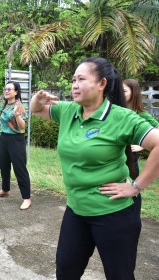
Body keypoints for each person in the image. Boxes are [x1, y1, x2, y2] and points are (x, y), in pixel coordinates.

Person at [30, 56, 159, 279]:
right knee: (66, 271)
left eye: (81, 79)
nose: (74, 85)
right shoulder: (69, 110)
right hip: (76, 210)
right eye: (73, 79)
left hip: (114, 214)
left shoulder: (122, 118)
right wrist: (36, 98)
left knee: (120, 275)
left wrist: (136, 186)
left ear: (102, 84)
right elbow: (37, 110)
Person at [0, 81, 31, 210]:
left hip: (16, 139)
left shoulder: (19, 106)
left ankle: (26, 198)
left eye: (9, 89)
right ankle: (5, 189)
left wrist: (16, 113)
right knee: (3, 165)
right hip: (4, 138)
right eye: (5, 88)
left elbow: (22, 126)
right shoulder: (5, 105)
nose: (6, 91)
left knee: (19, 168)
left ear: (16, 92)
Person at [123, 79, 159, 177]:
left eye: (124, 91)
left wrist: (141, 146)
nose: (121, 93)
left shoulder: (141, 114)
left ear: (133, 93)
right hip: (117, 155)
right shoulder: (118, 111)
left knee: (133, 186)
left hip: (131, 156)